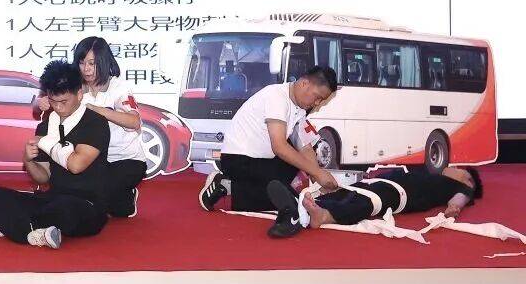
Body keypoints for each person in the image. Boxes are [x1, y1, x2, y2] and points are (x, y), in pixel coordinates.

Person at [0, 60, 112, 249]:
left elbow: (76, 165)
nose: (58, 107)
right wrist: (28, 160)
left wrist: (46, 142)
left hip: (87, 204)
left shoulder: (95, 123)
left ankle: (14, 226)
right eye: (53, 101)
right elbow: (43, 177)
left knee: (64, 210)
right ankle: (36, 233)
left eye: (64, 101)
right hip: (52, 198)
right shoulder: (45, 126)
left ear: (79, 94)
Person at [199, 66, 340, 238]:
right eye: (317, 98)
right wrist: (317, 173)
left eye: (321, 100)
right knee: (284, 182)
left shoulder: (300, 109)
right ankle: (231, 186)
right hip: (239, 160)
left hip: (262, 162)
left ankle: (230, 187)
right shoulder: (276, 96)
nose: (317, 104)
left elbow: (305, 147)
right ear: (304, 83)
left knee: (289, 170)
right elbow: (279, 147)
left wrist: (317, 178)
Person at [268, 165, 483, 233]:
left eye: (460, 169)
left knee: (368, 204)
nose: (454, 167)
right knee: (345, 194)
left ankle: (323, 215)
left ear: (467, 179)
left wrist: (454, 208)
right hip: (377, 183)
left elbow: (460, 199)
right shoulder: (431, 175)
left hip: (399, 193)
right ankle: (300, 208)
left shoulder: (462, 187)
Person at [71, 36, 147, 218]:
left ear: (104, 62)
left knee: (96, 198)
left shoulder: (119, 87)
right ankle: (124, 200)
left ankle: (121, 195)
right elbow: (48, 100)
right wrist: (41, 103)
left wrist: (98, 110)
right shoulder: (74, 87)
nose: (86, 69)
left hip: (126, 160)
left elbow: (134, 121)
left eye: (92, 63)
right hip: (92, 160)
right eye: (82, 63)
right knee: (82, 195)